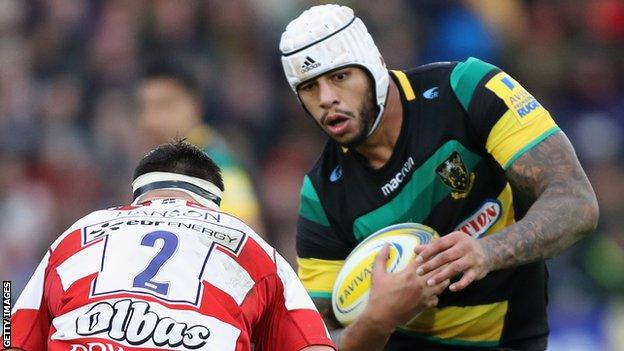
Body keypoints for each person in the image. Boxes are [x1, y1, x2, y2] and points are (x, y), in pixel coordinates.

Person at [279, 4, 599, 351]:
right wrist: (378, 318)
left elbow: (576, 202)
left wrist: (487, 251)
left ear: (374, 64)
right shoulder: (321, 193)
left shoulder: (466, 90)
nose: (327, 99)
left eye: (340, 77)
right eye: (310, 87)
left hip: (510, 339)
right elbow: (314, 341)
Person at [8, 139, 335, 351]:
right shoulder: (249, 242)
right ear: (214, 203)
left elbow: (11, 333)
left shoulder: (81, 230)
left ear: (137, 197)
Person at [137, 62, 264, 232]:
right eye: (144, 108)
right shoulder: (153, 164)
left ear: (195, 105)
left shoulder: (219, 166)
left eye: (164, 105)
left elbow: (245, 236)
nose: (150, 120)